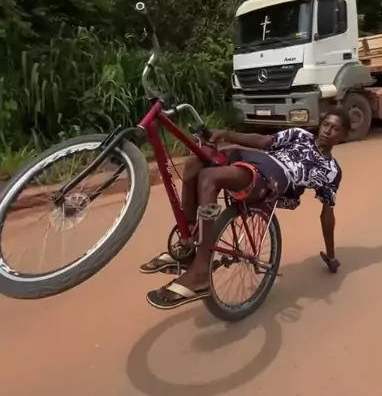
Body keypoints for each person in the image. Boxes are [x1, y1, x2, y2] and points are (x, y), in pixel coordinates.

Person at [144, 108, 350, 310]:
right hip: (256, 158)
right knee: (195, 163)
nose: (328, 130)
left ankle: (201, 271)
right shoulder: (300, 135)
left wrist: (331, 256)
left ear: (343, 136)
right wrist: (225, 134)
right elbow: (264, 142)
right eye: (326, 125)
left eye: (335, 129)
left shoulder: (331, 171)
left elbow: (327, 214)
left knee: (209, 178)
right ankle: (188, 244)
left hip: (276, 177)